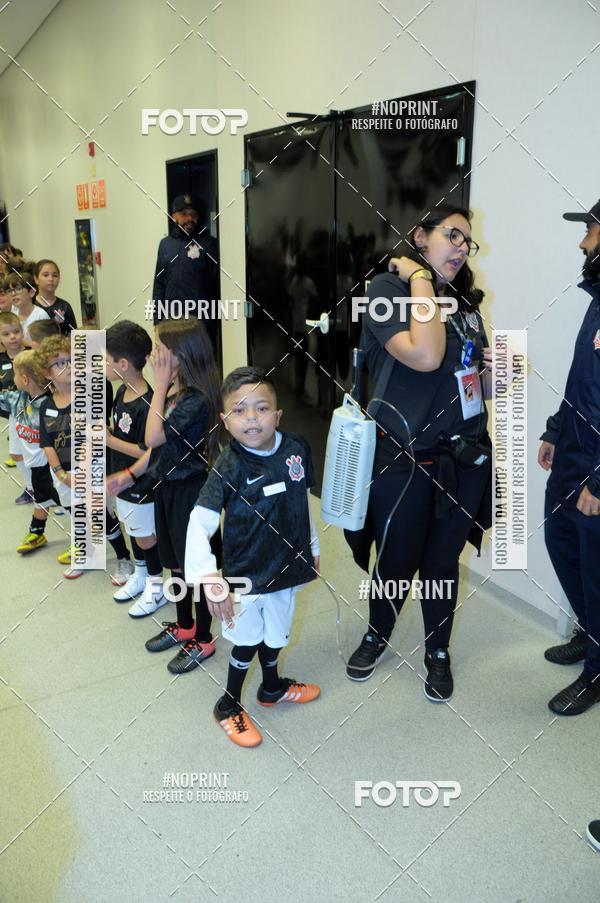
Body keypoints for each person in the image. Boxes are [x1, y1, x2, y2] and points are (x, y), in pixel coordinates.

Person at [345, 205, 492, 703]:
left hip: (462, 460)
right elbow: (426, 356)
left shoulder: (465, 305)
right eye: (452, 235)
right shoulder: (388, 290)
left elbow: (477, 387)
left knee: (442, 562)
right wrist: (418, 277)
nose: (461, 247)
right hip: (404, 459)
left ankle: (438, 652)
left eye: (467, 241)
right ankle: (377, 634)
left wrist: (495, 373)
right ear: (420, 236)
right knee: (396, 557)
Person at [185, 366, 320, 747]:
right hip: (245, 575)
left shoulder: (296, 448)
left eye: (261, 408)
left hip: (287, 567)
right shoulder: (228, 465)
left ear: (277, 414)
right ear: (226, 420)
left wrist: (313, 548)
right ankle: (228, 704)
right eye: (240, 410)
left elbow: (302, 503)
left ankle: (271, 688)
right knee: (246, 641)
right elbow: (199, 522)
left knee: (277, 633)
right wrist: (210, 579)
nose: (252, 418)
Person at [106, 319, 222, 670]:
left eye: (161, 348)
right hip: (167, 488)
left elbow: (153, 437)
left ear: (181, 354)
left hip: (190, 493)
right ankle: (185, 626)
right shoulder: (174, 392)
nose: (154, 354)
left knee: (194, 569)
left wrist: (158, 385)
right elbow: (156, 451)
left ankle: (204, 638)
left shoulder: (195, 399)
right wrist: (130, 474)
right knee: (175, 563)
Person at [538, 199, 600, 716]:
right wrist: (556, 429)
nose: (583, 242)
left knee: (597, 569)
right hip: (574, 450)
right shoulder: (597, 300)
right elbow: (582, 377)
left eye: (592, 232)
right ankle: (590, 632)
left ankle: (597, 672)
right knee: (560, 539)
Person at [37, 335, 132, 580]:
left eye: (72, 360)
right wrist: (60, 473)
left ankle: (124, 559)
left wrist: (83, 472)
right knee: (77, 516)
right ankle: (87, 555)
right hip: (63, 473)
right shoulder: (46, 405)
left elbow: (97, 435)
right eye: (60, 363)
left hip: (90, 467)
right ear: (47, 373)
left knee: (99, 515)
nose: (69, 366)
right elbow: (47, 444)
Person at [105, 321, 164, 609]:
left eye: (105, 359)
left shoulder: (148, 403)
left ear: (123, 364)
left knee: (146, 537)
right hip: (121, 479)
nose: (101, 365)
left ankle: (156, 585)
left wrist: (110, 441)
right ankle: (140, 575)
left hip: (141, 481)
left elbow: (147, 450)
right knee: (133, 530)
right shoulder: (121, 392)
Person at [0, 350, 60, 553]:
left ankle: (84, 542)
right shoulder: (17, 399)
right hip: (35, 466)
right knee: (41, 499)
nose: (12, 379)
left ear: (25, 379)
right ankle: (37, 533)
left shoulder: (51, 405)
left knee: (69, 505)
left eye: (15, 374)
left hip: (52, 467)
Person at [151, 195, 219, 349]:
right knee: (173, 362)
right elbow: (159, 284)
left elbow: (217, 287)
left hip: (199, 326)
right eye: (184, 214)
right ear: (174, 216)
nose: (190, 219)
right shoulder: (165, 245)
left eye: (193, 214)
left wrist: (213, 323)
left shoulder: (209, 244)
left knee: (198, 363)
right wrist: (157, 320)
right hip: (171, 324)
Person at [0, 311, 32, 499]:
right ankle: (32, 488)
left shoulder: (32, 355)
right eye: (6, 334)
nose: (12, 337)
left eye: (16, 332)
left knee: (40, 454)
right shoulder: (1, 361)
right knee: (16, 454)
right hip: (15, 415)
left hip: (36, 413)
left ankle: (46, 489)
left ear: (22, 332)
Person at [5, 259, 50, 343]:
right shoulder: (12, 313)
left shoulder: (41, 316)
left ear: (31, 292)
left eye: (18, 289)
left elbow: (47, 345)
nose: (13, 294)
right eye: (10, 291)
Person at [33, 260, 78, 335]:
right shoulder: (30, 304)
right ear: (36, 279)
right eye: (46, 275)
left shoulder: (65, 306)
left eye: (54, 275)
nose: (51, 279)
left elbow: (73, 334)